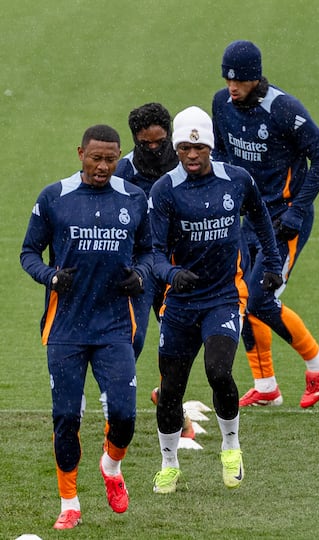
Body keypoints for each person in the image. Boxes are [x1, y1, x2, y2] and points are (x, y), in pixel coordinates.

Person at [20, 125, 153, 529]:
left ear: (118, 157)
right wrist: (51, 277)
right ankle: (70, 503)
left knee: (126, 416)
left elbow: (149, 249)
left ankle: (111, 467)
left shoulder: (133, 198)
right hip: (66, 328)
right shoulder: (54, 198)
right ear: (81, 153)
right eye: (95, 157)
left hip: (115, 326)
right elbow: (28, 252)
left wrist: (143, 275)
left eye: (111, 159)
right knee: (65, 417)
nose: (102, 165)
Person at [149, 106, 283, 494]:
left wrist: (272, 263)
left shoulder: (236, 181)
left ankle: (231, 446)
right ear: (176, 148)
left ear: (210, 146)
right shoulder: (165, 191)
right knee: (171, 387)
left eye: (200, 147)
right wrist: (173, 274)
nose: (192, 155)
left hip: (223, 298)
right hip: (179, 304)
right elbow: (154, 252)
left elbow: (260, 217)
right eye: (185, 149)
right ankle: (169, 464)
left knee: (219, 371)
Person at [212, 40, 319, 408]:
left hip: (284, 221)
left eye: (239, 80)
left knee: (261, 296)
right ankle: (266, 385)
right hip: (247, 216)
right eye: (227, 79)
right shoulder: (222, 103)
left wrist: (298, 209)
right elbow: (221, 150)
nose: (231, 87)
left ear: (255, 77)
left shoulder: (283, 109)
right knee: (243, 295)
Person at [114, 102, 194, 439]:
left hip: (175, 268)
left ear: (170, 136)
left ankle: (168, 398)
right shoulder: (121, 173)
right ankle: (118, 412)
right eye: (144, 143)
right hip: (138, 270)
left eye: (159, 142)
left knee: (181, 344)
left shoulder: (185, 166)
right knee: (133, 340)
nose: (152, 148)